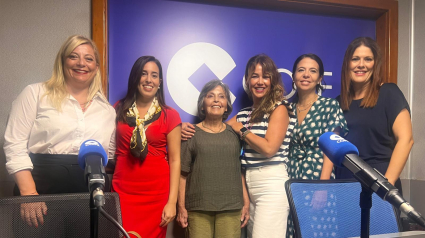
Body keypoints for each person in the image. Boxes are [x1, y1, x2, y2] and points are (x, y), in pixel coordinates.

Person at [4, 35, 116, 229]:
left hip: (88, 199)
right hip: (40, 195)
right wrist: (29, 194)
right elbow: (14, 144)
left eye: (89, 58)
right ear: (62, 61)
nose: (81, 63)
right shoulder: (35, 93)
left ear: (96, 67)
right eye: (74, 56)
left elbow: (110, 155)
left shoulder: (107, 110)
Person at [112, 56, 181, 238]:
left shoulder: (170, 116)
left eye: (154, 75)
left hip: (156, 195)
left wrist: (172, 202)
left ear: (160, 82)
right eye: (143, 74)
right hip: (123, 192)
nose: (149, 79)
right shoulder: (118, 109)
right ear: (135, 78)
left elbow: (175, 160)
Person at [335, 37, 413, 194]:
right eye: (355, 59)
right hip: (345, 184)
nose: (361, 64)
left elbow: (406, 139)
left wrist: (386, 186)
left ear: (375, 64)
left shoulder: (389, 92)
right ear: (347, 64)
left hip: (380, 181)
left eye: (368, 59)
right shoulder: (339, 102)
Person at [177, 79, 250, 238]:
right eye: (211, 96)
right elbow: (182, 175)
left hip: (231, 208)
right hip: (198, 209)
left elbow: (238, 172)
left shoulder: (235, 135)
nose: (216, 100)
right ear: (203, 104)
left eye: (221, 96)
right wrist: (181, 207)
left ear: (226, 105)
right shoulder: (190, 133)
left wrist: (246, 202)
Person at [286, 54, 348, 238]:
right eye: (301, 70)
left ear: (320, 78)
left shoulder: (329, 106)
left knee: (318, 231)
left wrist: (323, 187)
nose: (306, 75)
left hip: (317, 178)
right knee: (292, 231)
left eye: (313, 71)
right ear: (293, 76)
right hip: (290, 179)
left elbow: (331, 148)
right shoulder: (286, 109)